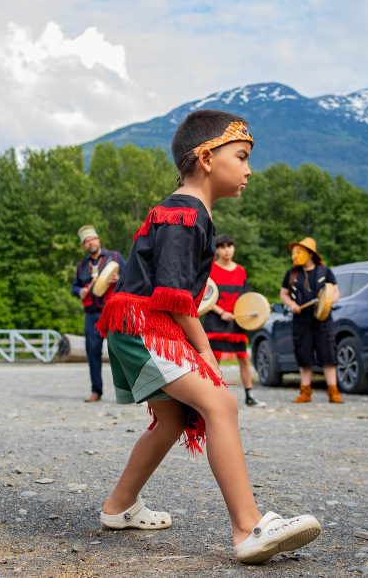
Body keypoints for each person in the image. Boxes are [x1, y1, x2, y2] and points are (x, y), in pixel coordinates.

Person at [96, 110, 320, 565]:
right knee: (221, 403)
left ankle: (118, 507)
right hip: (143, 327)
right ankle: (247, 527)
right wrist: (204, 351)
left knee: (173, 420)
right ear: (205, 158)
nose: (249, 169)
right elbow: (175, 298)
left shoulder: (190, 212)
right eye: (241, 156)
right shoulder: (184, 213)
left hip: (138, 324)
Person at [202, 235, 263, 407]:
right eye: (222, 247)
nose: (226, 250)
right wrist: (221, 312)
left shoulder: (241, 271)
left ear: (234, 248)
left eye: (229, 246)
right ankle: (211, 397)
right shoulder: (210, 270)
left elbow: (245, 298)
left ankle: (249, 396)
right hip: (215, 320)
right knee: (215, 358)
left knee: (243, 358)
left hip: (236, 321)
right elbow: (203, 296)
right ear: (217, 250)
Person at [280, 237, 343, 404]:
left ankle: (333, 391)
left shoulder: (324, 271)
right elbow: (283, 293)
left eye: (299, 252)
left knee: (328, 355)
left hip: (323, 319)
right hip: (301, 320)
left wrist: (329, 300)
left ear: (310, 254)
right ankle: (305, 392)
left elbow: (335, 291)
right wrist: (292, 304)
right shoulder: (292, 274)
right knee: (304, 355)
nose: (295, 255)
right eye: (294, 252)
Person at [72, 225, 125, 402]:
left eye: (92, 239)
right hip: (92, 314)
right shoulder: (81, 265)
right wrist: (79, 291)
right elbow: (75, 286)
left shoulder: (115, 257)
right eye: (86, 241)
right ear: (83, 246)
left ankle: (129, 390)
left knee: (121, 351)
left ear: (99, 240)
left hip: (113, 310)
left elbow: (131, 277)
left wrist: (119, 279)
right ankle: (96, 390)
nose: (90, 243)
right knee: (92, 351)